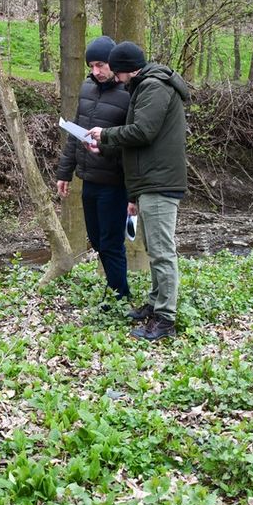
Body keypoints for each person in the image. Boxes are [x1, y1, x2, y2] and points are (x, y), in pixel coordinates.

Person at [86, 40, 190, 341]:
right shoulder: (145, 86)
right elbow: (138, 146)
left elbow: (143, 132)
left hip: (160, 182)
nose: (115, 79)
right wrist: (132, 194)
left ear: (128, 69)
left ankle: (165, 319)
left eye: (117, 72)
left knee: (161, 252)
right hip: (149, 182)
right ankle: (157, 304)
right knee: (155, 249)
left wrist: (106, 134)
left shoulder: (153, 87)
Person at [54, 36, 132, 304]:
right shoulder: (87, 88)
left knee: (111, 244)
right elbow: (75, 132)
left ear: (113, 63)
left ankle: (119, 298)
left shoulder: (129, 92)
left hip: (115, 182)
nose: (96, 71)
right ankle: (115, 290)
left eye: (101, 65)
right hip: (89, 179)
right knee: (98, 241)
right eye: (92, 66)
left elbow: (133, 140)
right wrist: (64, 173)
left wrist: (107, 145)